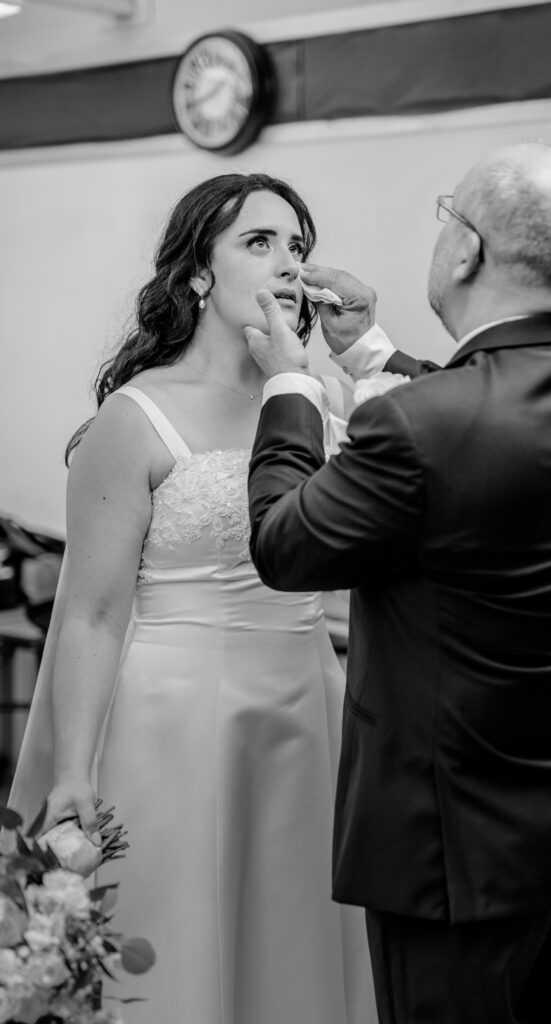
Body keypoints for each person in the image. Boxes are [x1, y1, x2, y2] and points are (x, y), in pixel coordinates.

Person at [245, 141, 551, 1024]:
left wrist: (288, 380)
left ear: (467, 249)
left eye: (446, 215)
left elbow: (285, 548)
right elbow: (483, 423)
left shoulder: (416, 428)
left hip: (454, 852)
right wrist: (369, 352)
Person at [8, 173, 378, 1024]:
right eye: (259, 242)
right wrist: (72, 768)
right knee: (179, 940)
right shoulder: (135, 419)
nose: (288, 264)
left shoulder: (317, 411)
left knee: (295, 938)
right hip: (175, 719)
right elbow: (93, 614)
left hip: (306, 705)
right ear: (198, 275)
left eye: (298, 247)